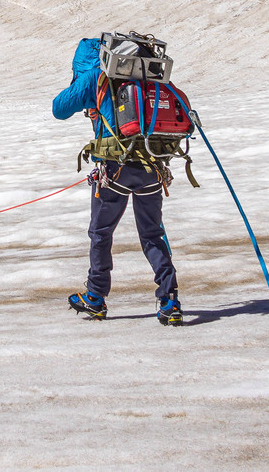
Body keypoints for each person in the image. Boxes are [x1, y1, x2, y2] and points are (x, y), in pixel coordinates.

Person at [53, 38, 183, 326]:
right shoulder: (148, 75)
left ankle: (96, 297)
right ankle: (169, 299)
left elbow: (59, 108)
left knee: (101, 233)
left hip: (114, 170)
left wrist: (80, 84)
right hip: (152, 164)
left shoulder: (94, 76)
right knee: (152, 235)